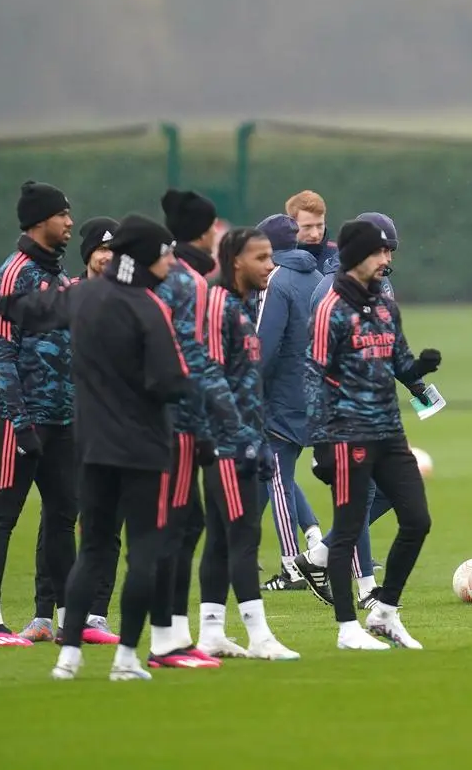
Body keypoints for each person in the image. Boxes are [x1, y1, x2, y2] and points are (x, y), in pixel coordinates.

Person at [0, 214, 194, 681]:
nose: (170, 262)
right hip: (142, 447)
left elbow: (35, 311)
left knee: (92, 549)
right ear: (143, 258)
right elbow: (168, 381)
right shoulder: (148, 307)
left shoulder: (84, 294)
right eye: (164, 254)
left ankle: (69, 656)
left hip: (92, 445)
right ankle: (125, 661)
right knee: (142, 553)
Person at [293, 220, 441, 650]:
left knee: (417, 519)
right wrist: (322, 443)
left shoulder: (384, 306)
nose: (387, 260)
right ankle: (346, 630)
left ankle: (385, 612)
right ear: (358, 257)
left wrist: (421, 370)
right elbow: (312, 375)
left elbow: (400, 363)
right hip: (346, 434)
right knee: (349, 526)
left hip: (389, 432)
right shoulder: (330, 308)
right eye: (380, 253)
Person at [0, 181, 82, 646]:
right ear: (40, 220)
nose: (70, 223)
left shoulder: (59, 276)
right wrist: (19, 423)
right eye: (63, 214)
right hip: (24, 422)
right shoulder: (14, 273)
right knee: (5, 512)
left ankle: (66, 619)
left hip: (62, 419)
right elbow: (5, 352)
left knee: (63, 514)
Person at [147, 189, 249, 668]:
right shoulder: (188, 282)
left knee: (180, 528)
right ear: (206, 231)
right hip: (178, 425)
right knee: (174, 529)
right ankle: (163, 640)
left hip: (161, 420)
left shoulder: (167, 274)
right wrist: (227, 418)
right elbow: (200, 361)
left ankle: (176, 636)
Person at [192, 226, 300, 660]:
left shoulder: (246, 302)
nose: (269, 266)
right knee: (243, 537)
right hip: (227, 447)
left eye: (270, 257)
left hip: (248, 440)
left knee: (221, 538)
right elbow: (212, 375)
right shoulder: (219, 303)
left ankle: (212, 631)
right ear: (235, 261)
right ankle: (259, 636)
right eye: (260, 258)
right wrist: (241, 439)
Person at [28, 216, 123, 643]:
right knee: (58, 516)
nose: (108, 257)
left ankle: (96, 615)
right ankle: (46, 613)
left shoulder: (134, 300)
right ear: (88, 255)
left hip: (115, 428)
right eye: (101, 250)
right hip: (69, 424)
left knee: (107, 522)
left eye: (115, 251)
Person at [305, 212, 401, 608]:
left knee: (389, 491)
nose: (386, 258)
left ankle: (318, 556)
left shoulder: (383, 285)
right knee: (359, 494)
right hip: (340, 416)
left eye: (390, 251)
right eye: (380, 250)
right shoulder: (328, 291)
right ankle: (365, 590)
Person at [254, 214, 325, 592]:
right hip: (313, 392)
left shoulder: (277, 281)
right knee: (280, 473)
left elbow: (265, 346)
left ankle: (292, 563)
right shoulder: (315, 277)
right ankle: (317, 540)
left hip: (281, 395)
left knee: (276, 477)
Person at [285, 190, 339, 274]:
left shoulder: (339, 256)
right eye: (307, 227)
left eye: (320, 226)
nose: (315, 235)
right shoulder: (275, 258)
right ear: (291, 225)